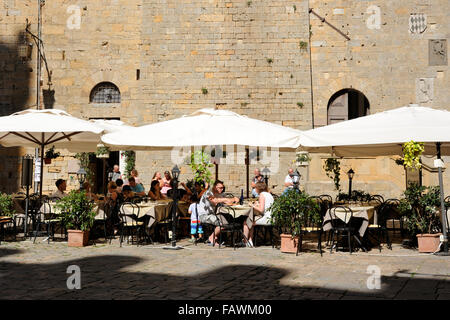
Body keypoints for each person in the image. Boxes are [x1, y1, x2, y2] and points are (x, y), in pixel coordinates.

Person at [198, 180, 239, 246]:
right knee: (222, 223)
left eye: (222, 187)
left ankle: (223, 238)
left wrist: (234, 200)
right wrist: (227, 199)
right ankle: (211, 238)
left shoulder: (221, 194)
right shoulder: (208, 193)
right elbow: (215, 201)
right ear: (214, 187)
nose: (222, 189)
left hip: (214, 214)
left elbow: (228, 202)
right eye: (220, 188)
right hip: (204, 215)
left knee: (228, 220)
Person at [243, 181, 274, 247]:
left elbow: (261, 210)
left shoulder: (262, 195)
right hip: (272, 218)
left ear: (258, 188)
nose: (254, 190)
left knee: (247, 222)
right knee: (251, 220)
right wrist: (257, 204)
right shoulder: (269, 194)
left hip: (267, 219)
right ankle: (250, 241)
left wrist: (252, 205)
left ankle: (246, 241)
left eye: (255, 188)